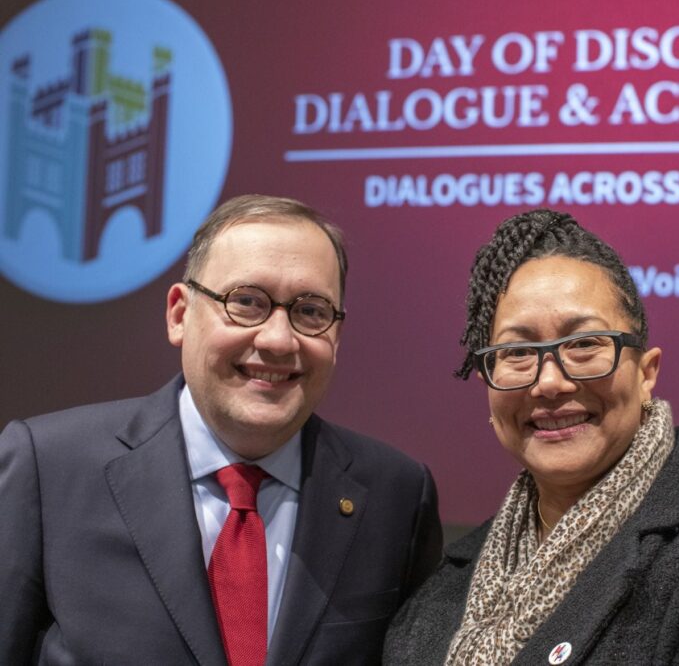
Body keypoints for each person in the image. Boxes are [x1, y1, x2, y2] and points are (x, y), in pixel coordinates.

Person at [384, 209, 679, 665]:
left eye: (585, 344)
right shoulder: (449, 584)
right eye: (517, 352)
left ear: (646, 373)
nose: (549, 382)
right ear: (488, 384)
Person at [0, 194, 442, 665]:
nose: (277, 339)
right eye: (246, 302)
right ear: (179, 314)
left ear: (336, 334)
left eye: (311, 311)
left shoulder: (395, 495)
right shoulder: (47, 468)